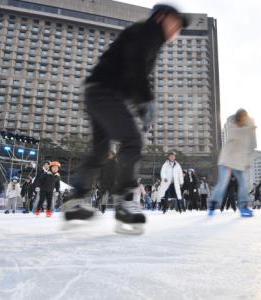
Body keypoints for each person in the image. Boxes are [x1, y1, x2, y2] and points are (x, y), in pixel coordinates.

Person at [63, 4, 188, 234]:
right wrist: (146, 101)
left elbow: (131, 74)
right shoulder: (147, 33)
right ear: (160, 17)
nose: (176, 31)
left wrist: (142, 106)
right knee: (132, 141)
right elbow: (135, 66)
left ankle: (74, 202)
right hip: (105, 94)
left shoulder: (147, 37)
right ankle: (125, 203)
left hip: (96, 92)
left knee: (100, 151)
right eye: (175, 23)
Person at [208, 109, 255, 217]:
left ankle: (243, 207)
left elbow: (246, 149)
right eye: (242, 117)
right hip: (226, 161)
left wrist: (247, 162)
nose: (244, 119)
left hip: (239, 163)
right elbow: (238, 134)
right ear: (238, 118)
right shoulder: (232, 127)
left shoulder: (246, 132)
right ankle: (213, 203)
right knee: (223, 183)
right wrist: (250, 128)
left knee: (243, 184)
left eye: (245, 117)